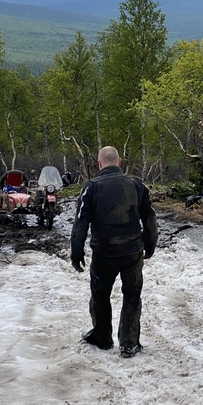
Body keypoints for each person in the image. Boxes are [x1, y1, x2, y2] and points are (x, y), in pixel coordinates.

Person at [70, 146, 158, 358]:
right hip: (132, 252)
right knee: (132, 295)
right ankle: (129, 343)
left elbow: (81, 222)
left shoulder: (91, 187)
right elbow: (150, 217)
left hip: (104, 253)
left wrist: (76, 251)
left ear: (99, 164)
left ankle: (102, 338)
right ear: (119, 162)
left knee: (100, 295)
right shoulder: (137, 184)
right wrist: (150, 243)